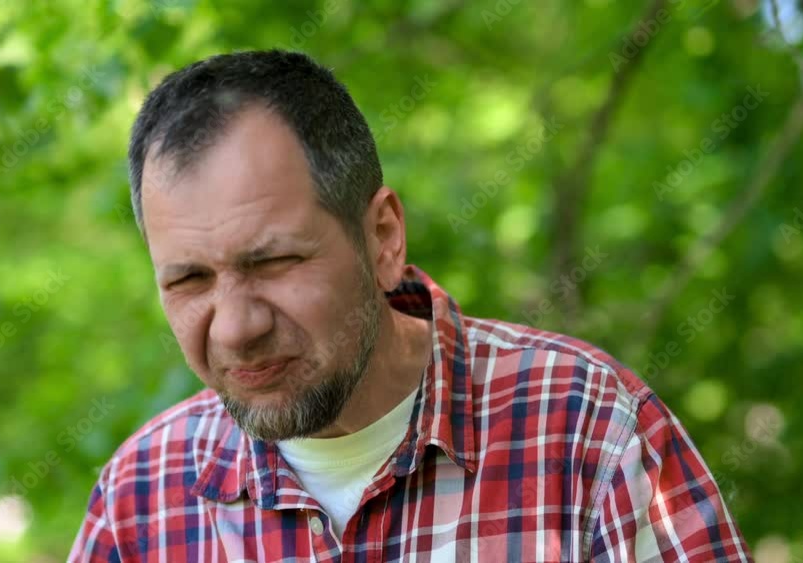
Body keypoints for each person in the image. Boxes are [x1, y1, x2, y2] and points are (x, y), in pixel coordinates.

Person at [68, 49, 751, 562]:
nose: (237, 327)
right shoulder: (139, 500)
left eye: (274, 262)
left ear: (383, 238)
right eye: (189, 281)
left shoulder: (588, 432)